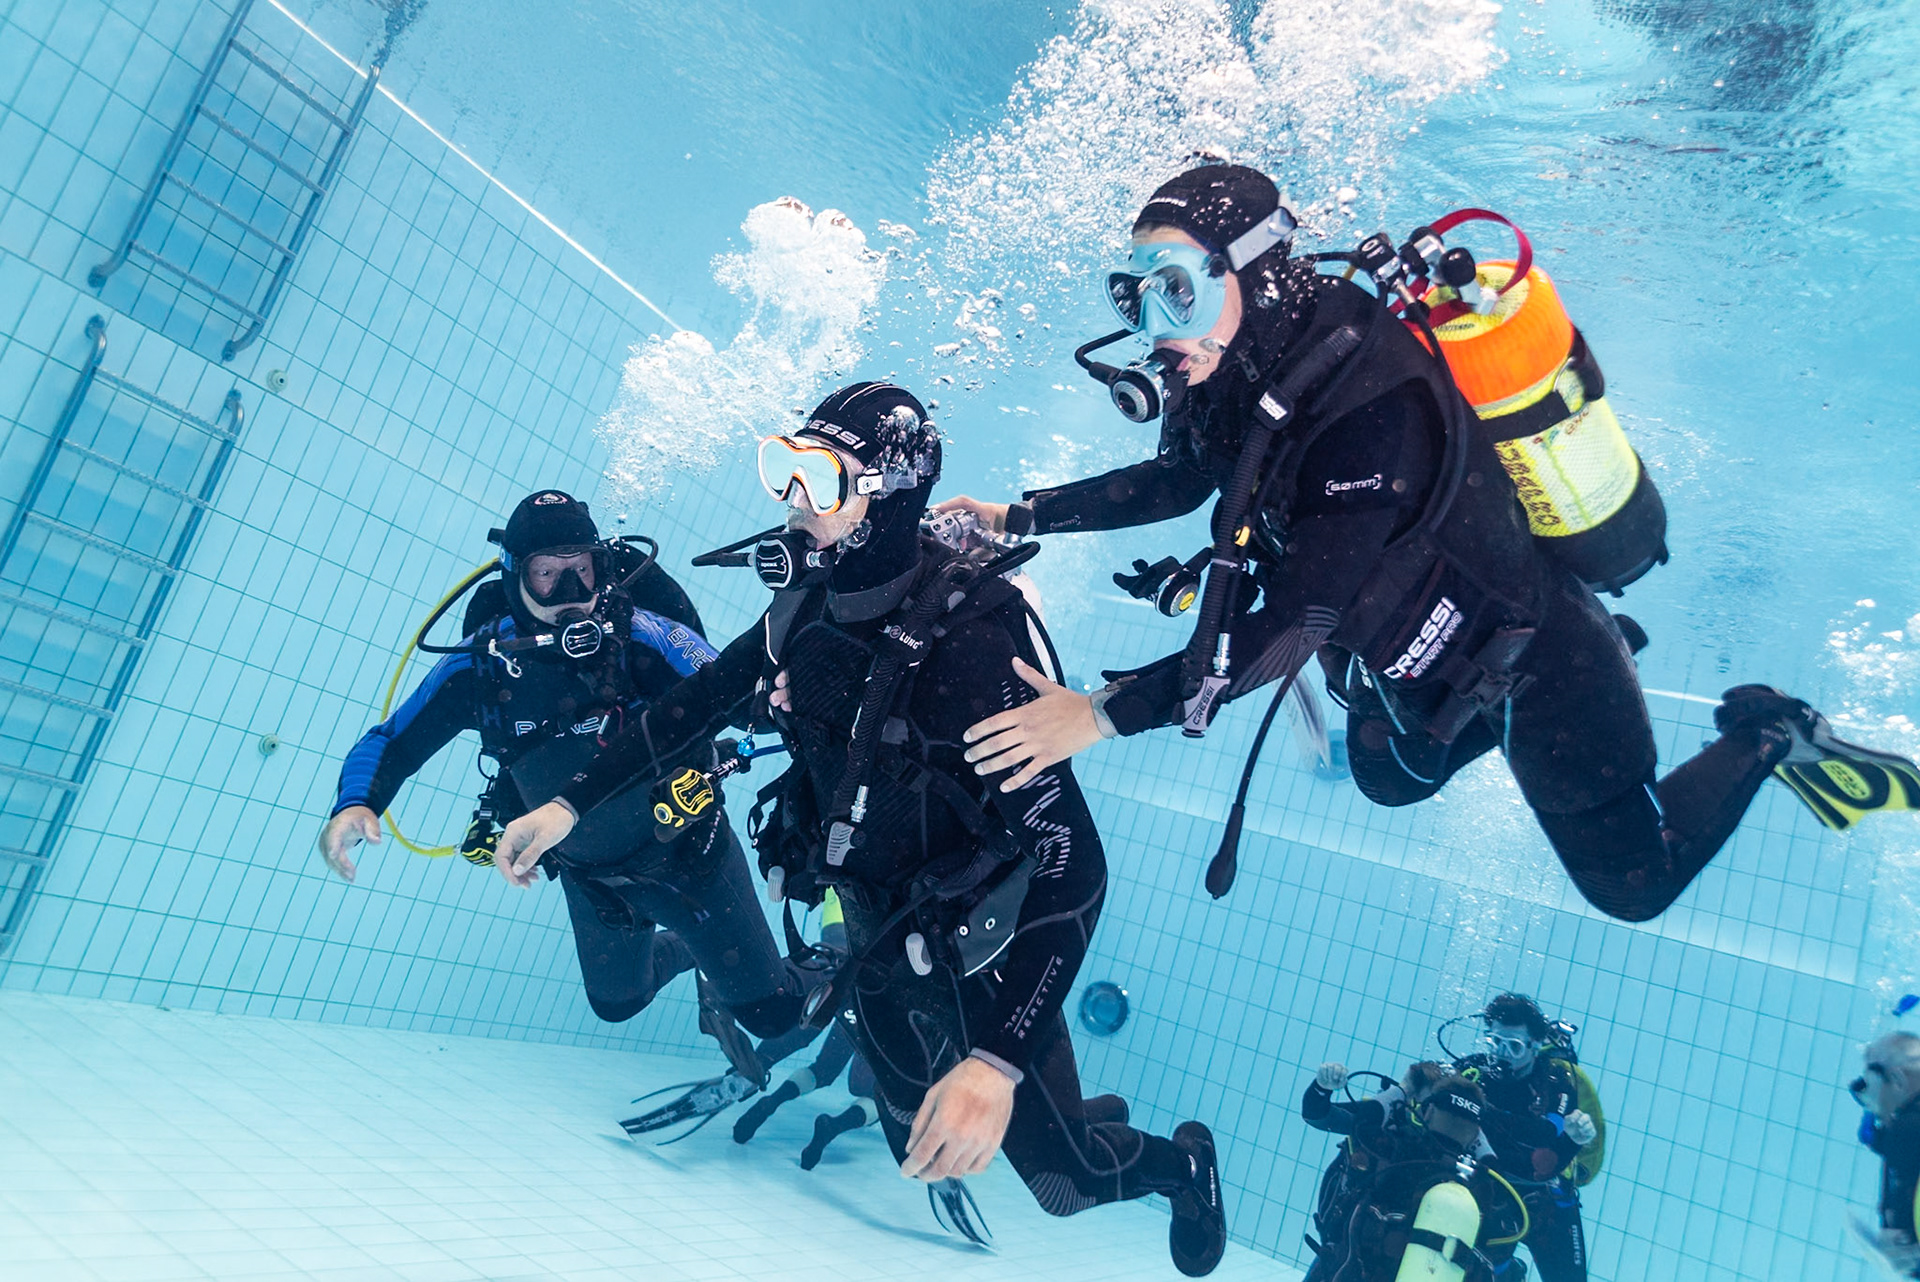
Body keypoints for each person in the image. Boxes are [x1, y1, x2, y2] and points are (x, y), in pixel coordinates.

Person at [938, 161, 1919, 923]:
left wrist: (1103, 715)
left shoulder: (1371, 395)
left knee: (1631, 883)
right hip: (1413, 671)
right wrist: (1019, 516)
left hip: (1539, 661)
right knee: (1382, 778)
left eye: (1176, 291)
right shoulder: (1232, 377)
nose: (1154, 329)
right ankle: (1476, 726)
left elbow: (1301, 616)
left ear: (1252, 271)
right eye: (1134, 294)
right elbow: (1178, 478)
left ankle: (1766, 735)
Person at [494, 382, 1230, 1276]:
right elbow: (686, 709)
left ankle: (1182, 1163)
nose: (793, 502)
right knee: (911, 1141)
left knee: (1059, 1180)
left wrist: (995, 1064)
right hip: (877, 926)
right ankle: (1062, 1105)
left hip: (980, 939)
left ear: (886, 499)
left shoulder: (973, 645)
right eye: (786, 471)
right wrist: (564, 805)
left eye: (820, 480)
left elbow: (1073, 864)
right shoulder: (802, 612)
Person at [318, 490, 815, 1083]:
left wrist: (783, 691)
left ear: (601, 568)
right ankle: (695, 955)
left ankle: (841, 957)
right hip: (592, 879)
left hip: (691, 858)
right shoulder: (481, 666)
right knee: (617, 1005)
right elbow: (390, 741)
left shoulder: (644, 637)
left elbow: (730, 689)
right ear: (513, 577)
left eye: (581, 571)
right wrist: (356, 803)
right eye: (547, 575)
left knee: (776, 1014)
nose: (569, 595)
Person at [1300, 1066, 1522, 1281]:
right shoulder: (1474, 1173)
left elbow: (1340, 1119)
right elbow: (1318, 1113)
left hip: (1360, 1257)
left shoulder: (1385, 1143)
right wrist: (1473, 1128)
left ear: (1430, 1110)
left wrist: (1402, 1089)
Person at [1451, 995, 1596, 1282]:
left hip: (1544, 1198)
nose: (1502, 1054)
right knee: (1481, 1267)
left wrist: (1575, 1136)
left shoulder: (1554, 1082)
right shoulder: (1473, 1071)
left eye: (1514, 1047)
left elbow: (1546, 1133)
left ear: (1536, 1045)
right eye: (1495, 1043)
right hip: (1488, 1189)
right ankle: (1507, 1273)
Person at [1852, 1032, 1920, 1277]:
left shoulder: (1906, 1129)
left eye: (1868, 1085)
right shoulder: (1903, 1130)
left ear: (1899, 1081)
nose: (1863, 1098)